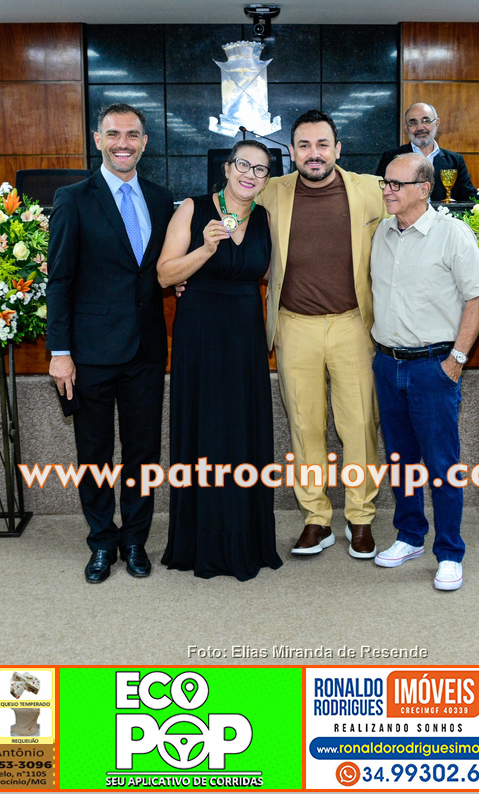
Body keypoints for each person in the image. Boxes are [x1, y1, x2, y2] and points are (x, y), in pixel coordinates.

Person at [46, 103, 174, 584]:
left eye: (133, 135)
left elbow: (162, 268)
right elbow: (59, 279)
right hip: (90, 354)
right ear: (98, 140)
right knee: (94, 454)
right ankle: (102, 541)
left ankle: (135, 540)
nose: (124, 143)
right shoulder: (72, 198)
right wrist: (60, 352)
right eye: (114, 134)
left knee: (143, 453)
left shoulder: (161, 199)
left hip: (146, 351)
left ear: (144, 142)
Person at [258, 110, 386, 559]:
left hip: (353, 324)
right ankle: (316, 518)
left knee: (360, 426)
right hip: (294, 326)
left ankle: (360, 517)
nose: (314, 154)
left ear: (338, 149)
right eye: (304, 146)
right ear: (292, 152)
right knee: (305, 425)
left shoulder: (371, 189)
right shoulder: (269, 192)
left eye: (322, 144)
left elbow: (413, 219)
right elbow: (225, 214)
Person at [156, 140, 282, 580]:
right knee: (205, 429)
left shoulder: (265, 218)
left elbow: (267, 272)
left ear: (266, 180)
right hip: (201, 335)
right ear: (227, 169)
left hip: (245, 337)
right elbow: (164, 274)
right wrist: (205, 251)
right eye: (243, 164)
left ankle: (246, 537)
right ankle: (202, 540)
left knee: (243, 431)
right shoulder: (193, 209)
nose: (250, 174)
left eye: (260, 169)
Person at [370, 153, 479, 591]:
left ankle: (449, 552)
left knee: (442, 464)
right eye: (385, 183)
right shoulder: (383, 232)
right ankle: (409, 537)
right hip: (387, 364)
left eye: (396, 184)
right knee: (400, 459)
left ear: (424, 189)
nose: (388, 190)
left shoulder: (451, 234)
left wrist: (456, 359)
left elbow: (478, 296)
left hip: (433, 367)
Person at [375, 102, 476, 203]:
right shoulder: (391, 158)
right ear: (406, 128)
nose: (420, 127)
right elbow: (379, 195)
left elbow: (470, 199)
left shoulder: (454, 161)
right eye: (413, 123)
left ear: (437, 123)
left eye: (426, 121)